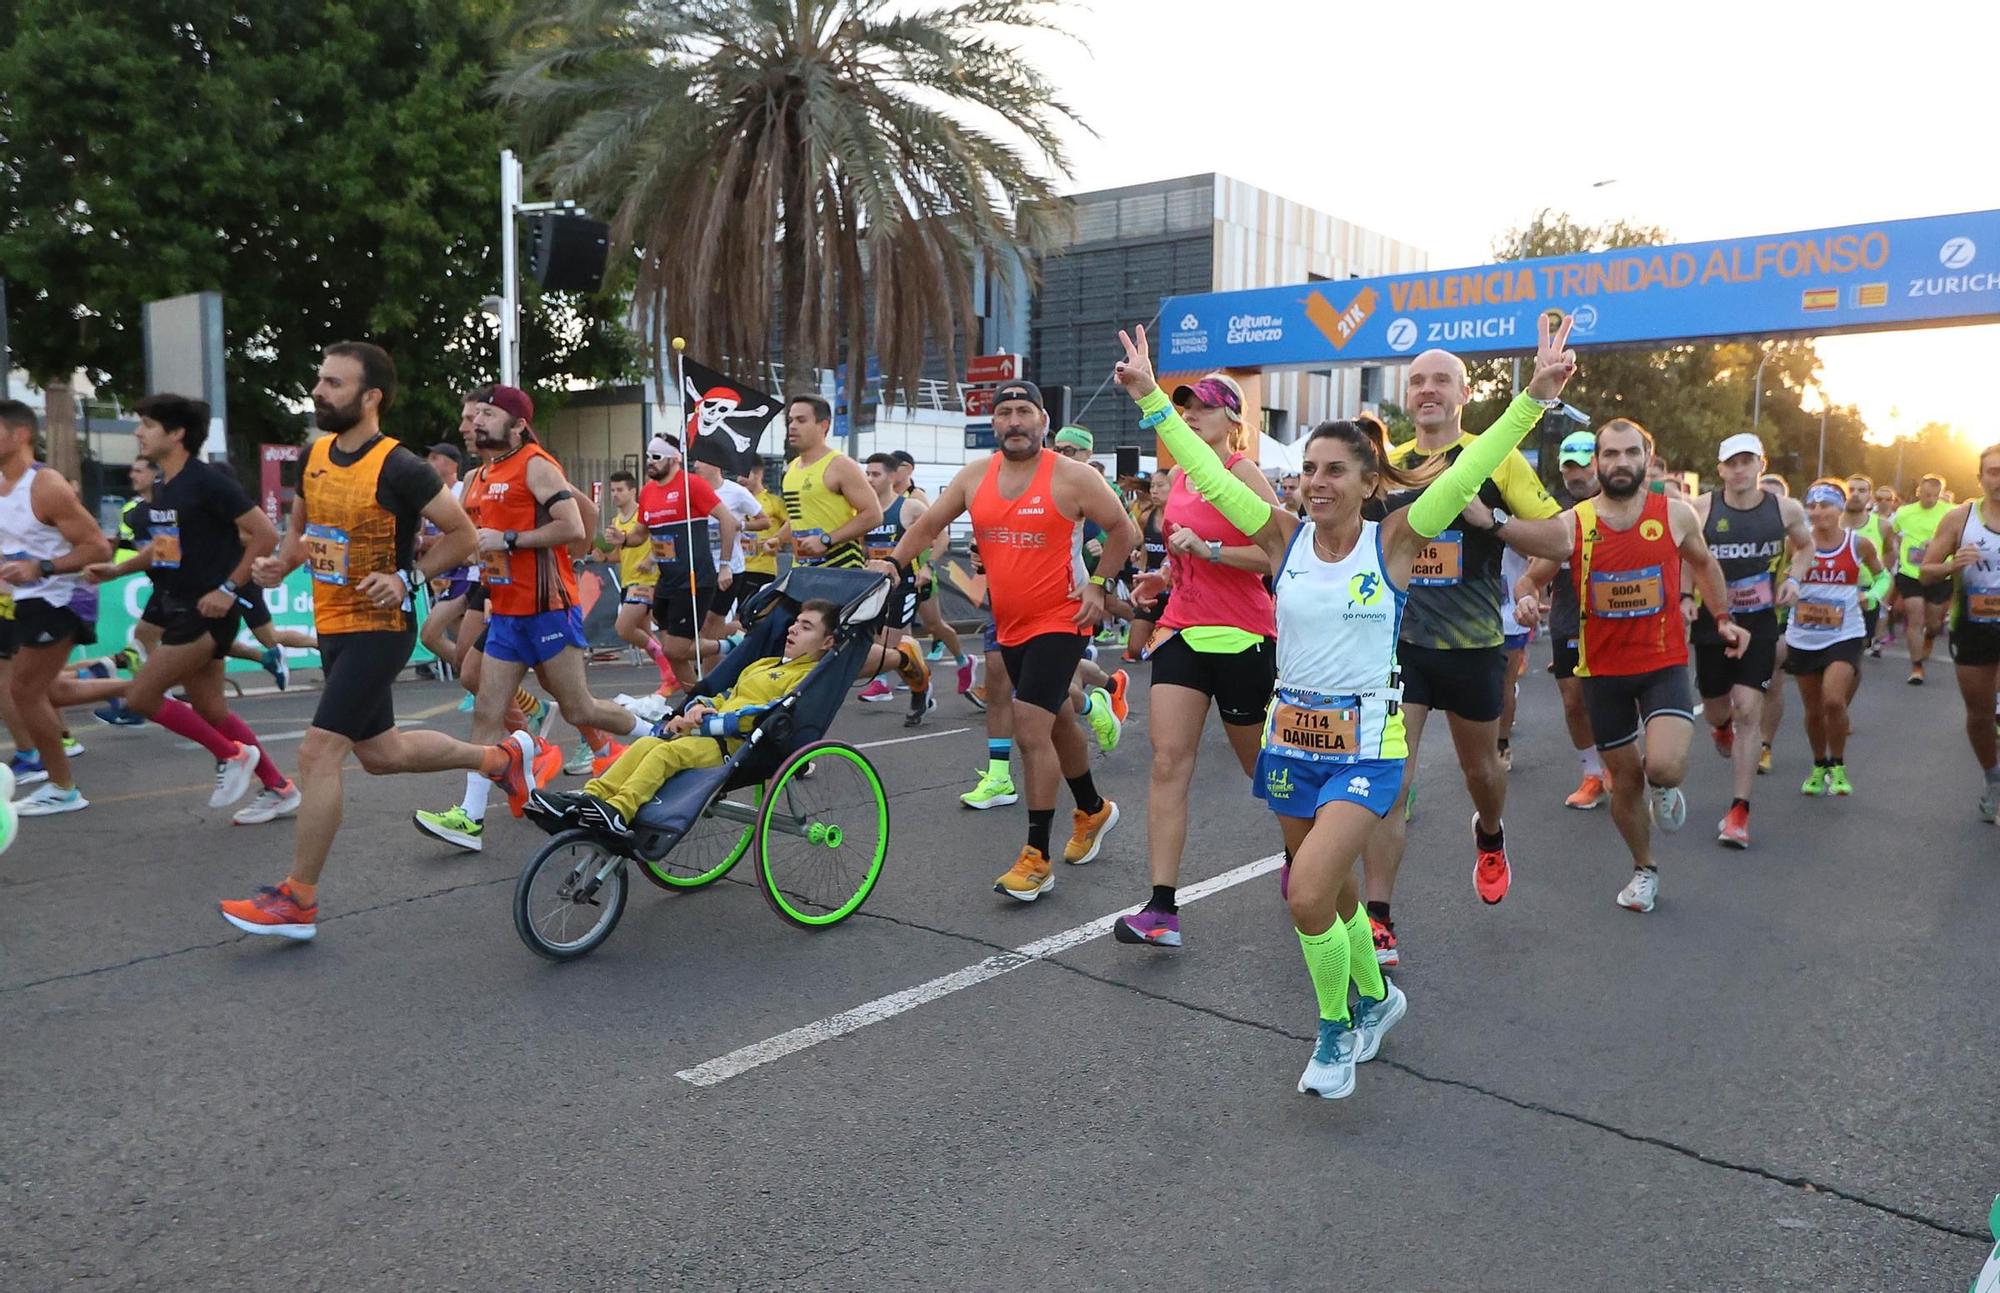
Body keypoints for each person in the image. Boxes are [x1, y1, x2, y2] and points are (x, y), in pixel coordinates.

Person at [1116, 314, 1576, 1097]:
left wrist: (1532, 399)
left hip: (1368, 749)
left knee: (1303, 893)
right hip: (1291, 742)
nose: (1318, 481)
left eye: (1336, 470)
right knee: (1326, 893)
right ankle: (1377, 996)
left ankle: (1335, 1031)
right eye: (1309, 469)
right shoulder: (1280, 537)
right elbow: (1208, 463)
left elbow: (1471, 473)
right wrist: (1152, 402)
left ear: (1371, 481)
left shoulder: (1395, 538)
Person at [218, 344, 553, 940]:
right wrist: (280, 564)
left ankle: (299, 900)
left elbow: (464, 535)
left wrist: (407, 578)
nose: (319, 391)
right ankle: (503, 758)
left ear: (370, 397)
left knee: (319, 753)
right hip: (334, 628)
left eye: (334, 383)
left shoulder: (400, 466)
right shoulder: (315, 454)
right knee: (383, 754)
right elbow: (302, 530)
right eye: (319, 379)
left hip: (380, 630)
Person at [872, 378, 1134, 900]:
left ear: (1043, 421)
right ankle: (1093, 809)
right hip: (1009, 622)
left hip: (1061, 619)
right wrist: (893, 564)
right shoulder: (974, 477)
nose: (1014, 421)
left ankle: (1036, 857)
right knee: (1057, 719)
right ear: (994, 423)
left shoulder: (1073, 477)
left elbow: (1123, 530)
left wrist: (1101, 586)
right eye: (1005, 412)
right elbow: (927, 528)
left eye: (1024, 411)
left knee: (1030, 726)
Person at [1358, 345, 1562, 965]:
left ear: (1463, 393)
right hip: (1404, 652)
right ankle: (1379, 920)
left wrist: (1494, 519)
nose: (1427, 390)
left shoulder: (1493, 457)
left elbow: (1561, 540)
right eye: (1417, 380)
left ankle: (1491, 833)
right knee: (1393, 784)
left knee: (1484, 777)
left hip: (1474, 647)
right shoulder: (1386, 466)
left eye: (1441, 380)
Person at [1511, 418, 1748, 914]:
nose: (1620, 463)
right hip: (1600, 671)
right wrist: (1527, 602)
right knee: (1625, 780)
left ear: (1647, 457)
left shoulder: (1676, 515)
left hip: (1661, 661)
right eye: (1610, 454)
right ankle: (1645, 869)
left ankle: (1665, 786)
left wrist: (1722, 617)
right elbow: (1530, 580)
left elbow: (1703, 564)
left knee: (1662, 766)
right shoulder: (1575, 522)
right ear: (1597, 462)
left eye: (1630, 453)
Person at [1111, 372, 1278, 949]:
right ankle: (1161, 909)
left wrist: (1210, 550)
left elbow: (1276, 553)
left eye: (1203, 407)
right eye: (1184, 408)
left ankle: (1304, 849)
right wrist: (1164, 574)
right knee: (1166, 763)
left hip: (1243, 635)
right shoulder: (1180, 477)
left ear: (1233, 420)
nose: (1191, 415)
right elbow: (1183, 557)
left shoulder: (1242, 474)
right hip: (1182, 627)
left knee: (1260, 770)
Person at [80, 393, 301, 823]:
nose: (138, 432)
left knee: (142, 695)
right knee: (212, 710)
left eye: (147, 424)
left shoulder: (207, 481)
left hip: (209, 610)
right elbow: (165, 550)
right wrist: (117, 570)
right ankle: (280, 788)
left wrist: (227, 587)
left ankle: (232, 756)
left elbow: (264, 535)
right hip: (179, 603)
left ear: (177, 433)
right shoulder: (164, 487)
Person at [535, 600, 840, 833]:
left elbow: (765, 715)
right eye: (796, 622)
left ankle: (618, 811)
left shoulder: (806, 678)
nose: (793, 629)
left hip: (735, 745)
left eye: (806, 627)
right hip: (709, 730)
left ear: (827, 642)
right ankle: (590, 799)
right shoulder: (765, 664)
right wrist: (699, 706)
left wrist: (704, 723)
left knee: (667, 753)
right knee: (644, 746)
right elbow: (728, 697)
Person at [1688, 433, 1809, 848]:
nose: (1739, 470)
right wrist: (1687, 596)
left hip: (1759, 622)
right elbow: (1687, 554)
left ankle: (1739, 812)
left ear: (1761, 464)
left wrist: (1794, 577)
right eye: (1731, 463)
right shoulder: (1702, 508)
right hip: (1712, 622)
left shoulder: (1785, 509)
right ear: (1720, 469)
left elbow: (1805, 547)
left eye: (1747, 461)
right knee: (1719, 707)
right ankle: (1718, 725)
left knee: (1747, 709)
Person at [0, 400, 120, 814]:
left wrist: (41, 567)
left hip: (59, 597)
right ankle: (141, 690)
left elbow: (97, 547)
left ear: (20, 435)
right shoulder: (1, 486)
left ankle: (63, 786)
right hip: (21, 601)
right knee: (47, 690)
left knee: (25, 691)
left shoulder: (45, 484)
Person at [1521, 429, 1611, 810]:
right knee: (1575, 702)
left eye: (1583, 465)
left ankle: (1622, 765)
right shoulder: (1558, 515)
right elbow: (1534, 573)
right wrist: (1527, 596)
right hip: (1568, 619)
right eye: (1568, 468)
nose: (1575, 475)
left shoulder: (1619, 507)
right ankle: (1593, 773)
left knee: (1613, 699)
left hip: (1617, 620)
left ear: (1599, 463)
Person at [1911, 445, 2000, 819]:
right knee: (1979, 715)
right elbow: (1925, 570)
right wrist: (1953, 566)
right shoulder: (1960, 518)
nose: (1999, 480)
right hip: (1974, 626)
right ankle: (1993, 781)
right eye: (1993, 472)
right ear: (1979, 477)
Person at [1783, 479, 1884, 797]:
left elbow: (1883, 576)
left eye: (1825, 505)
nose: (1817, 511)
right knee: (1813, 711)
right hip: (1803, 635)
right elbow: (1780, 577)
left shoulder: (1859, 544)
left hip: (1845, 633)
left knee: (1833, 700)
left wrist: (1873, 596)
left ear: (1839, 508)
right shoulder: (1797, 543)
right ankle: (1819, 766)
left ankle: (1838, 765)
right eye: (1811, 506)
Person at [628, 432, 737, 684]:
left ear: (674, 460)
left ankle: (730, 645)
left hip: (694, 579)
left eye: (656, 457)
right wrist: (621, 539)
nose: (650, 462)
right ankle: (694, 698)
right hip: (666, 581)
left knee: (674, 649)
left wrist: (725, 566)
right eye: (648, 456)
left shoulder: (692, 485)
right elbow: (640, 534)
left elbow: (728, 520)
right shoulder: (647, 493)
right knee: (673, 651)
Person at [857, 452, 938, 727]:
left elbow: (941, 534)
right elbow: (862, 548)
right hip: (875, 588)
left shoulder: (910, 508)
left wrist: (929, 567)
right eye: (867, 473)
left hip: (904, 585)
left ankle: (919, 688)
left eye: (875, 474)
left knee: (888, 647)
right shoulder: (865, 511)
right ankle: (920, 683)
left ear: (893, 476)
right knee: (886, 647)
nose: (869, 479)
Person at [780, 394, 882, 571]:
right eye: (790, 420)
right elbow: (800, 516)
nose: (792, 426)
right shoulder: (791, 468)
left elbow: (874, 515)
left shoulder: (841, 465)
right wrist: (777, 539)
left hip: (841, 567)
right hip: (803, 569)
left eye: (801, 420)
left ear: (823, 425)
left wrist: (826, 540)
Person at [598, 468, 677, 691]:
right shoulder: (616, 520)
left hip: (646, 582)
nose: (615, 494)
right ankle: (670, 675)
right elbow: (620, 554)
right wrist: (603, 556)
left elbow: (665, 542)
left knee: (623, 628)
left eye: (620, 490)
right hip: (627, 581)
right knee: (647, 635)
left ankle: (672, 673)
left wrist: (651, 560)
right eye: (612, 490)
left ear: (633, 491)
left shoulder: (643, 516)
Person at [688, 437, 767, 639]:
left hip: (729, 569)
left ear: (715, 464)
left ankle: (711, 667)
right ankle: (740, 636)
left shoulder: (736, 492)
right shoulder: (691, 492)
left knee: (710, 627)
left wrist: (739, 525)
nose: (695, 465)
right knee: (696, 627)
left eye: (701, 460)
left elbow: (764, 521)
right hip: (700, 569)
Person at [416, 434, 478, 670]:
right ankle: (478, 678)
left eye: (435, 458)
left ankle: (478, 678)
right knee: (456, 639)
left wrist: (422, 542)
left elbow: (460, 536)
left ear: (452, 465)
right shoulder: (431, 496)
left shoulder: (462, 491)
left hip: (467, 572)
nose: (428, 462)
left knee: (431, 634)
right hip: (449, 575)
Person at [1892, 473, 1954, 685]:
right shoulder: (1904, 512)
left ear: (1941, 495)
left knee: (1933, 622)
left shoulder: (1950, 512)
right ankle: (1916, 667)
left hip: (1938, 573)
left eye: (1934, 496)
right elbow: (1890, 532)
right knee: (1915, 619)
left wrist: (1937, 545)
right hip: (1911, 573)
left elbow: (1960, 537)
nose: (1930, 499)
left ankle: (1930, 637)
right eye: (1926, 494)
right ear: (1919, 491)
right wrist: (1896, 549)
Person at [1843, 474, 1897, 659]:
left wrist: (1880, 578)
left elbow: (1890, 551)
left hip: (1866, 592)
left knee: (1860, 646)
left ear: (1869, 497)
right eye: (1851, 490)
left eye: (1862, 490)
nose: (1856, 494)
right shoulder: (1832, 523)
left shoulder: (1881, 526)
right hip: (1836, 588)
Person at [734, 458, 785, 613]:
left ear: (758, 474)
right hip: (736, 567)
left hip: (761, 569)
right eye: (738, 475)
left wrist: (776, 539)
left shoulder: (774, 502)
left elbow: (793, 524)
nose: (739, 480)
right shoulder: (735, 500)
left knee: (748, 615)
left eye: (743, 475)